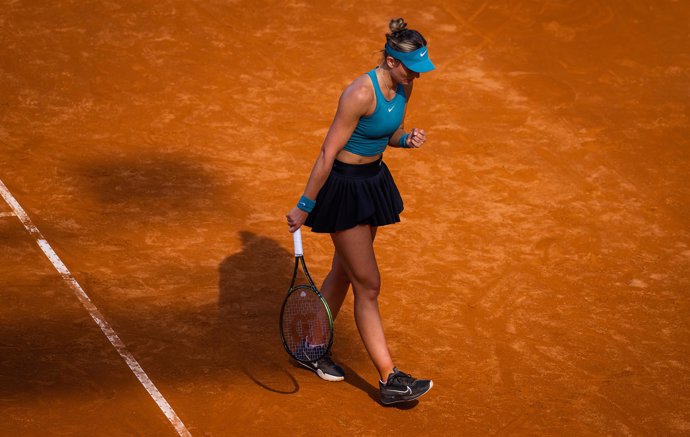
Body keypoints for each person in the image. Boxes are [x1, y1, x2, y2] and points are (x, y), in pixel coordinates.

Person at [285, 17, 434, 405]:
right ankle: (389, 378)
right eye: (410, 69)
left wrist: (405, 140)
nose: (415, 77)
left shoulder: (403, 88)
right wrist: (305, 206)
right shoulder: (358, 94)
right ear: (389, 61)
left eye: (419, 70)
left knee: (344, 272)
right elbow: (327, 153)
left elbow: (384, 135)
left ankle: (311, 347)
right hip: (344, 189)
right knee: (368, 284)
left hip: (373, 183)